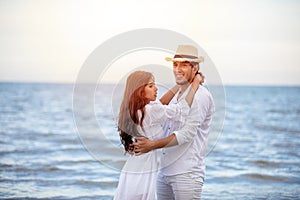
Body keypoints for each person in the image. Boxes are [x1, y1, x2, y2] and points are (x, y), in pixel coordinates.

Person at [133, 45, 215, 199]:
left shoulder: (200, 96)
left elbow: (187, 134)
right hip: (164, 172)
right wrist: (181, 84)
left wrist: (152, 145)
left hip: (186, 173)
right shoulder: (177, 93)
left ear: (195, 68)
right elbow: (159, 109)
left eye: (184, 65)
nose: (178, 69)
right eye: (175, 64)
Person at [114, 70, 203, 200]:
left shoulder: (137, 110)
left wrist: (180, 84)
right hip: (142, 172)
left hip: (133, 169)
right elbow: (181, 109)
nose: (156, 88)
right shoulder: (150, 111)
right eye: (151, 86)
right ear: (140, 91)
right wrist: (195, 83)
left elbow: (161, 105)